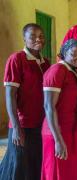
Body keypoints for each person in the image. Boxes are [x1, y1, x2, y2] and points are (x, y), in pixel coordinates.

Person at [0, 23, 50, 180]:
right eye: (32, 36)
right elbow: (10, 95)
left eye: (41, 36)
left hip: (40, 124)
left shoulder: (45, 62)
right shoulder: (16, 59)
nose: (38, 39)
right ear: (24, 38)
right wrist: (16, 127)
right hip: (23, 124)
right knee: (19, 165)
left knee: (34, 164)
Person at [41, 39, 77, 180]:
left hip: (71, 130)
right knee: (58, 172)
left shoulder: (73, 72)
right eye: (74, 54)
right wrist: (58, 140)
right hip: (57, 131)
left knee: (69, 172)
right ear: (64, 53)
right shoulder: (58, 70)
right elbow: (49, 106)